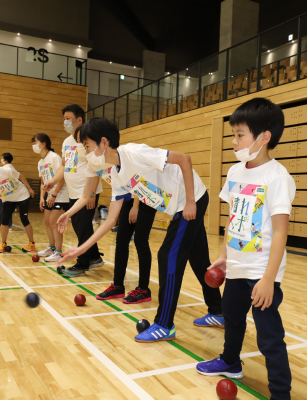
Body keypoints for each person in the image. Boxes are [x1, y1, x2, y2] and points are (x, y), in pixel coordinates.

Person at [55, 117, 222, 342]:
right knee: (199, 259)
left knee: (168, 256)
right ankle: (219, 312)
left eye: (87, 146)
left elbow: (184, 159)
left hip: (190, 201)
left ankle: (164, 324)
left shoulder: (133, 153)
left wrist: (191, 201)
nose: (85, 153)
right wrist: (80, 249)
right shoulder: (116, 174)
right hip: (180, 206)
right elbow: (109, 219)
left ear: (103, 143)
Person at [195, 98, 295, 400]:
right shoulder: (236, 173)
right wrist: (225, 256)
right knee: (233, 316)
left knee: (269, 337)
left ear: (264, 137)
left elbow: (280, 231)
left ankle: (280, 392)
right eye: (233, 135)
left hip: (262, 270)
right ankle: (230, 361)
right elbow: (233, 218)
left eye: (241, 135)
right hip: (237, 265)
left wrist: (268, 278)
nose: (235, 141)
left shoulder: (278, 178)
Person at [42, 104, 104, 277]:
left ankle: (82, 263)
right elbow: (64, 165)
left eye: (68, 118)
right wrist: (52, 182)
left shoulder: (88, 141)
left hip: (87, 193)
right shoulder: (66, 142)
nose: (65, 122)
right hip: (73, 192)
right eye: (64, 119)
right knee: (80, 227)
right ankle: (94, 257)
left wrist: (92, 194)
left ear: (79, 120)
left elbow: (96, 166)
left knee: (82, 226)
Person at [95, 193, 157, 304]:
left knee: (140, 241)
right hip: (129, 197)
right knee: (121, 241)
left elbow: (139, 179)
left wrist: (135, 206)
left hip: (146, 196)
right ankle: (117, 286)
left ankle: (143, 289)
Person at [32, 133, 70, 262]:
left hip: (61, 195)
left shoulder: (54, 157)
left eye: (35, 143)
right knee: (47, 222)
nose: (33, 146)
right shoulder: (40, 162)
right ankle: (51, 247)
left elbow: (62, 177)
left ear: (43, 144)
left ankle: (58, 252)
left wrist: (54, 194)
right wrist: (42, 197)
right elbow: (43, 181)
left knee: (55, 223)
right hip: (50, 196)